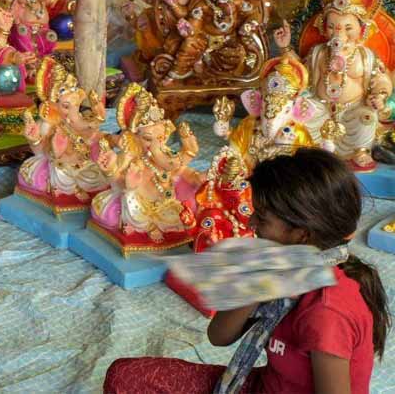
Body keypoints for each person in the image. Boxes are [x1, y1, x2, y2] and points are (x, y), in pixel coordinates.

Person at [104, 148, 390, 394]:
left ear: (301, 235)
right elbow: (219, 336)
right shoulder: (286, 267)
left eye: (262, 218)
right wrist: (254, 281)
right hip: (263, 385)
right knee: (125, 377)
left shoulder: (327, 312)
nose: (251, 223)